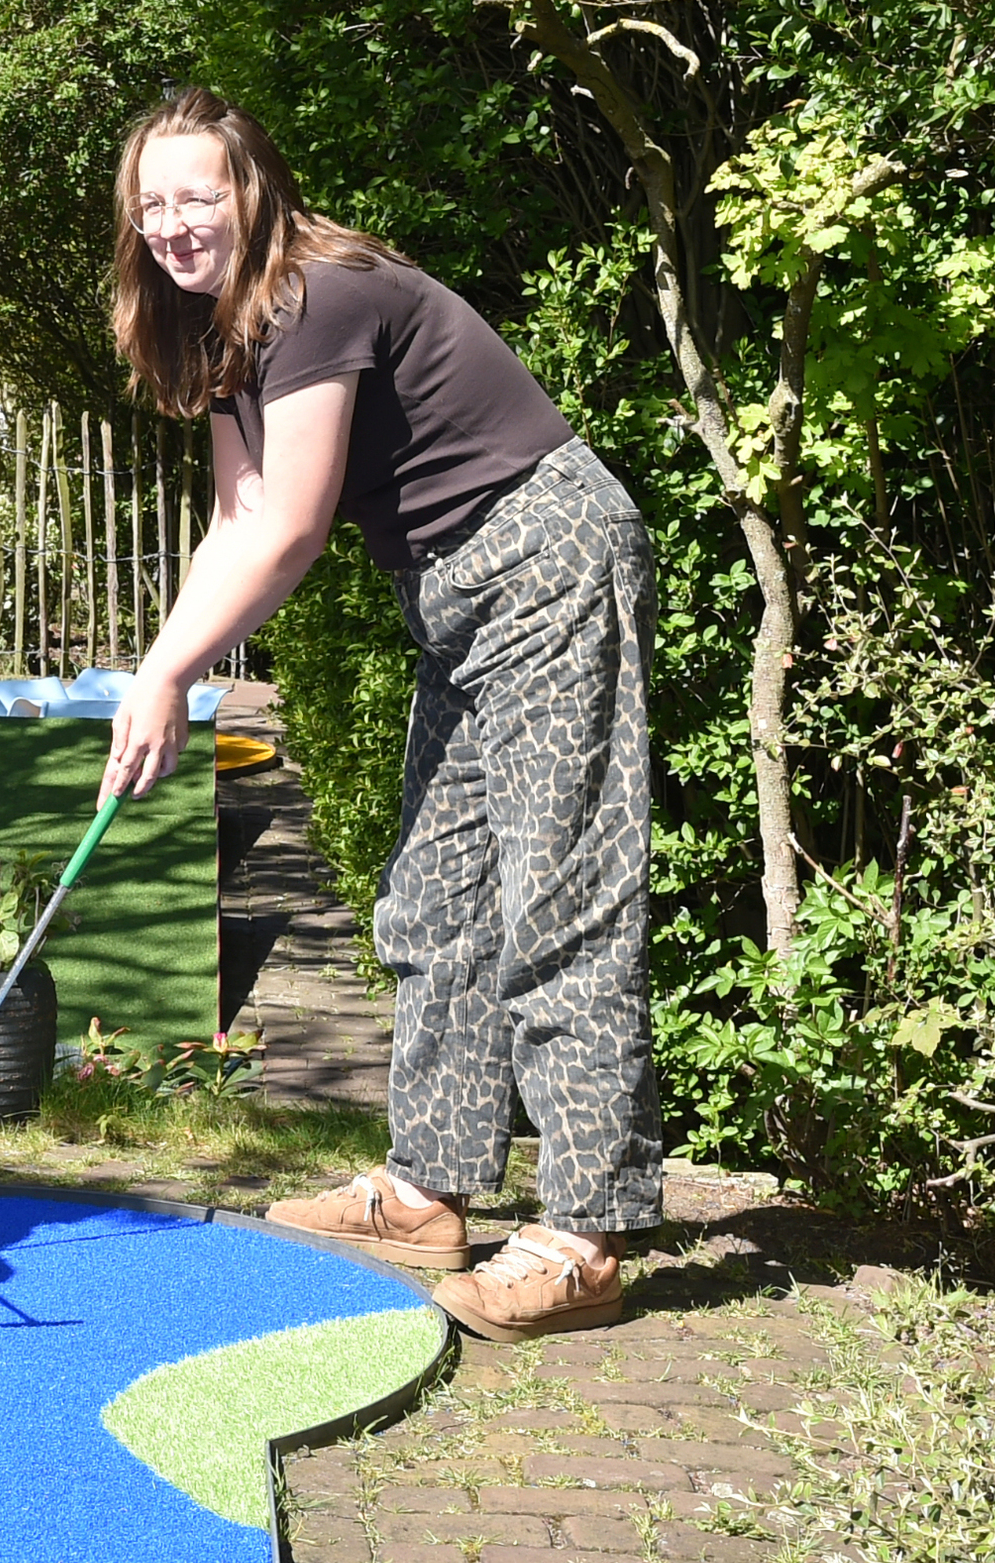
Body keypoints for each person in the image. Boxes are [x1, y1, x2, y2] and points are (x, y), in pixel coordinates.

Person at [96, 86, 663, 1341]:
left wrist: (170, 674)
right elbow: (238, 521)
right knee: (434, 893)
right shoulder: (229, 328)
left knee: (558, 895)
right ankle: (426, 1189)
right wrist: (163, 661)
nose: (176, 223)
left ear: (256, 190)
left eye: (199, 194)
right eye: (153, 204)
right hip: (458, 592)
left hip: (547, 558)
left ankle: (587, 1234)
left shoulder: (317, 293)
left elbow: (295, 526)